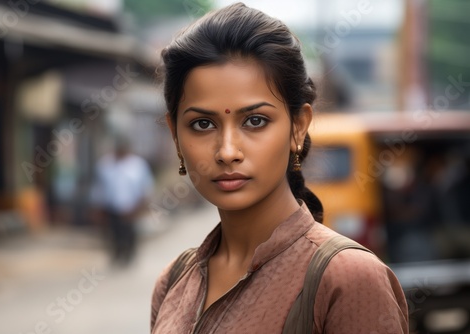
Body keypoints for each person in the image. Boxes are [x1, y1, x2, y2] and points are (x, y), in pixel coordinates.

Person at [151, 3, 408, 333]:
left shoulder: (348, 278)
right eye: (202, 124)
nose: (227, 152)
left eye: (255, 121)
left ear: (298, 127)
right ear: (175, 135)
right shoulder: (173, 282)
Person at [91, 135, 154, 266]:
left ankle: (129, 256)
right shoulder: (105, 164)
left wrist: (141, 208)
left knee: (129, 233)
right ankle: (116, 255)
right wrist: (97, 208)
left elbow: (146, 187)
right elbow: (98, 188)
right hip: (111, 207)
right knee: (113, 233)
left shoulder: (138, 165)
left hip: (131, 208)